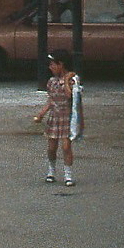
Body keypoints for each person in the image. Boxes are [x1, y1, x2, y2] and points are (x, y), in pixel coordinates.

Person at [33, 49, 80, 186]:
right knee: (52, 147)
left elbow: (70, 96)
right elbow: (51, 100)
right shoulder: (51, 81)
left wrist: (66, 81)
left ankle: (68, 175)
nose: (51, 67)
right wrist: (41, 114)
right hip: (55, 117)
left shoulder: (72, 80)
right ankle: (51, 171)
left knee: (66, 147)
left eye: (53, 64)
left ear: (61, 64)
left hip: (67, 117)